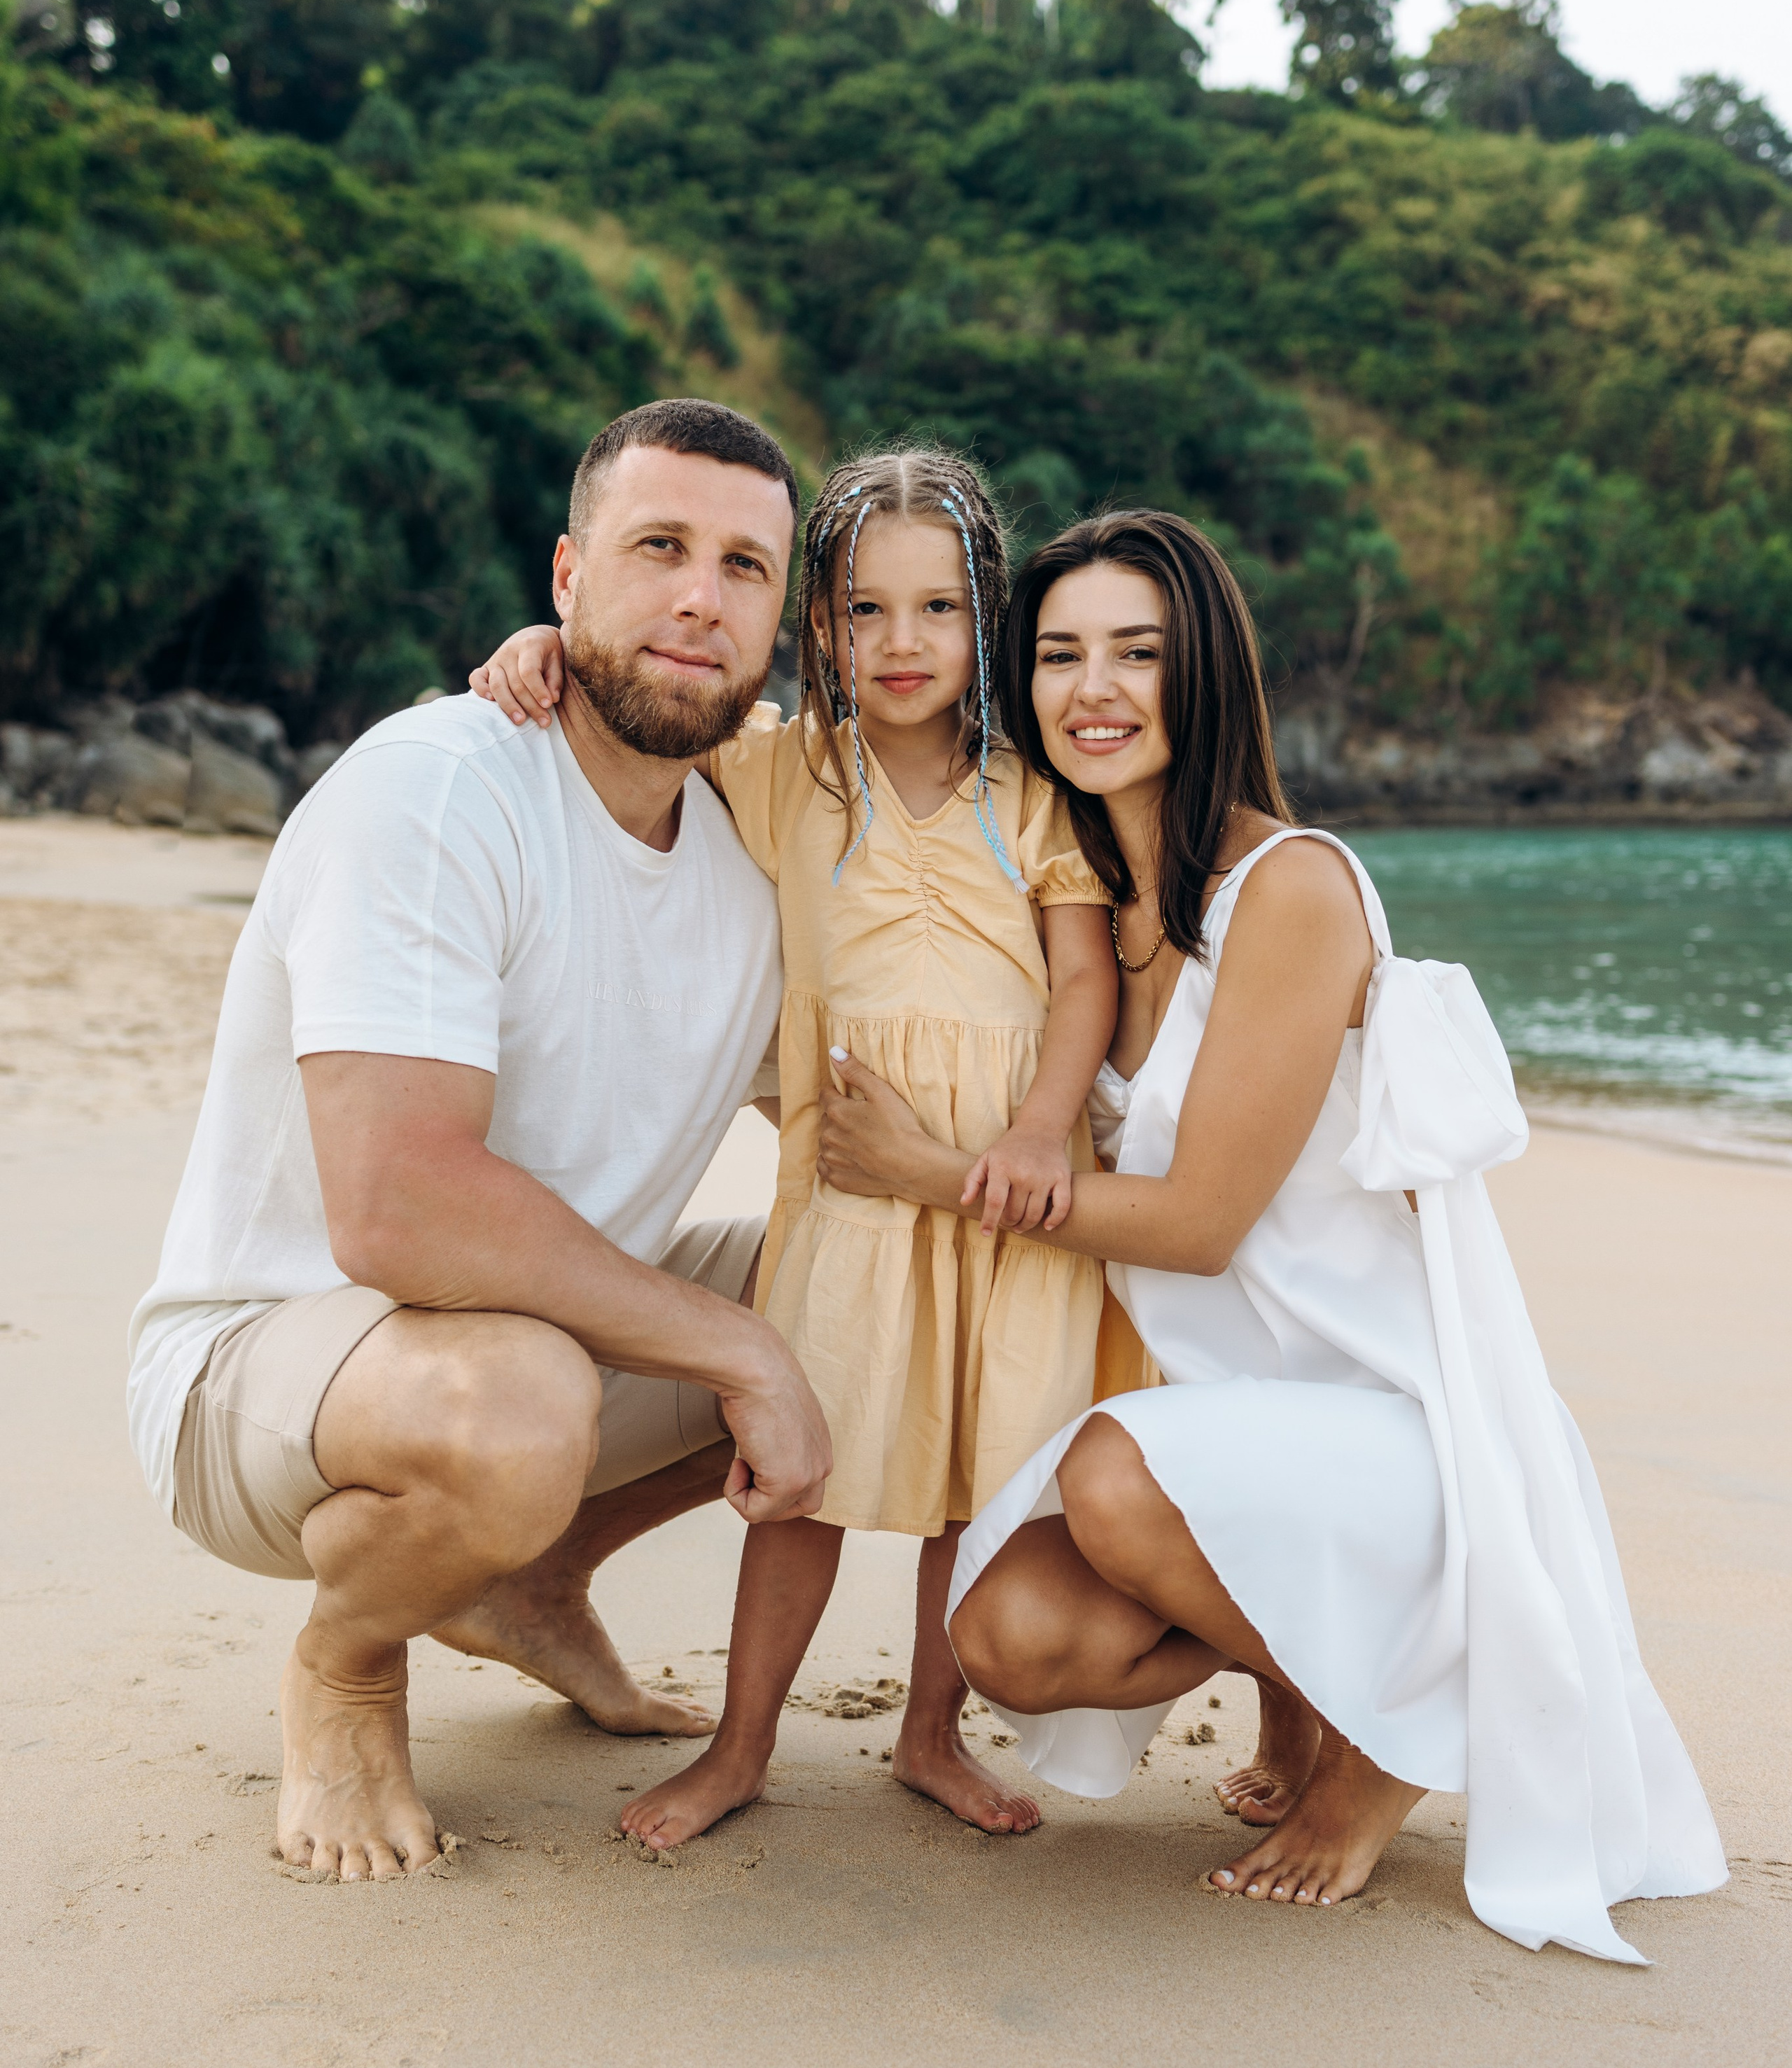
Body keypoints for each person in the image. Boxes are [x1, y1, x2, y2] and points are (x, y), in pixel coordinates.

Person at [809, 508, 1727, 1960]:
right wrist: (545, 659)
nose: (1092, 689)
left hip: (1403, 1441)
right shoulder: (1084, 915)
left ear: (1207, 675)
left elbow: (1196, 1222)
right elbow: (814, 777)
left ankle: (1379, 1751)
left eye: (1136, 653)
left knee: (1109, 1476)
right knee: (1010, 1636)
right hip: (1248, 1447)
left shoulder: (1287, 887)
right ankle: (1306, 1684)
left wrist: (936, 1176)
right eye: (1056, 655)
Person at [125, 398, 832, 1883]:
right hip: (264, 1365)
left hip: (537, 1358)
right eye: (659, 548)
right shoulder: (441, 786)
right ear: (568, 579)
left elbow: (860, 1120)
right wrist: (740, 1352)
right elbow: (399, 1212)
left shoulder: (750, 856)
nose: (701, 596)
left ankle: (534, 1575)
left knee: (871, 1286)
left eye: (744, 567)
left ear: (784, 623)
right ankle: (346, 1666)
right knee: (525, 1404)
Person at [470, 447, 1121, 1847]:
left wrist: (1033, 1129)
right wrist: (545, 647)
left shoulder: (1031, 793)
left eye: (935, 610)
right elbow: (638, 707)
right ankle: (741, 1744)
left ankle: (927, 1736)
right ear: (817, 625)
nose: (899, 643)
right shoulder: (784, 771)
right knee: (801, 1482)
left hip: (1010, 1205)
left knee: (976, 1488)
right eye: (861, 611)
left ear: (983, 620)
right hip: (847, 1201)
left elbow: (1083, 981)